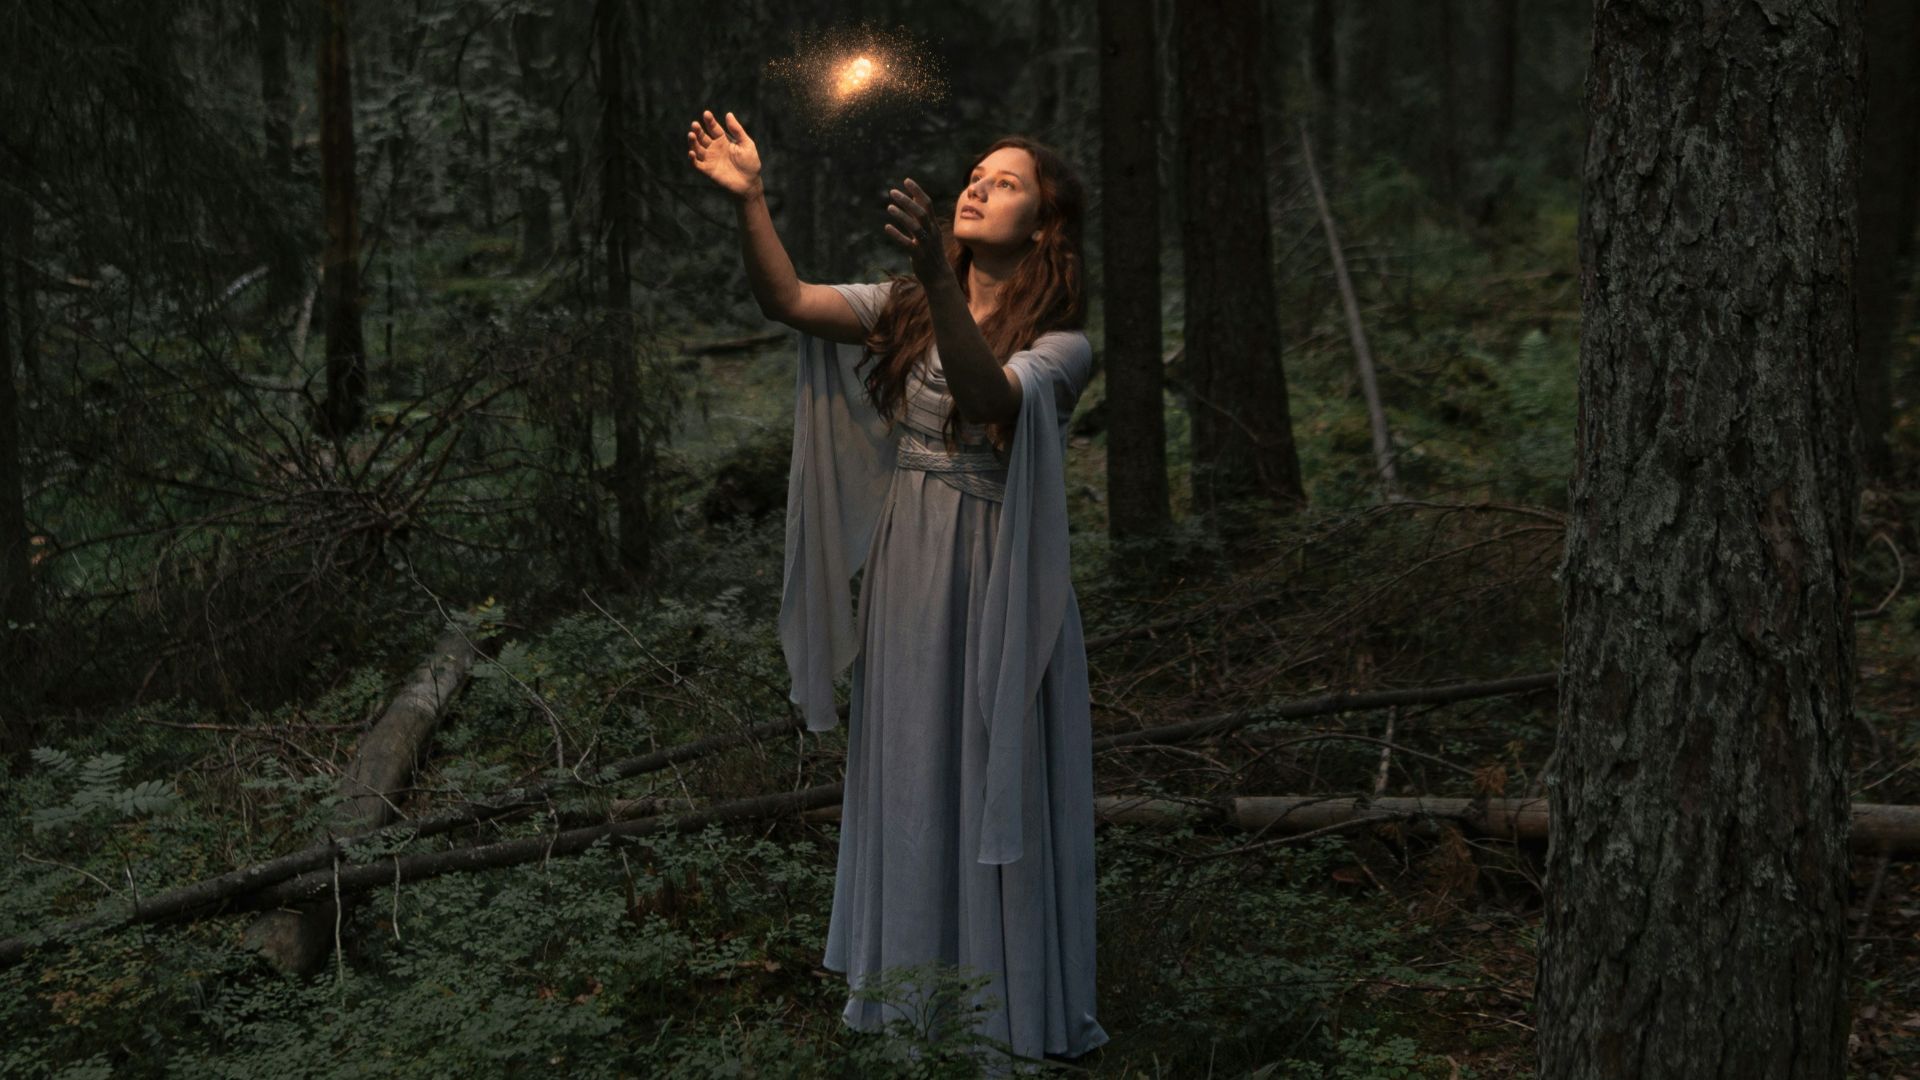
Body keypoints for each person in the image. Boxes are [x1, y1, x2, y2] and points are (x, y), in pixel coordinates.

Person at [687, 108, 1109, 1071]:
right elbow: (788, 299)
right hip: (910, 566)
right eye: (976, 173)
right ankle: (916, 998)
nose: (977, 187)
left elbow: (990, 399)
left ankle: (1002, 1005)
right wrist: (752, 200)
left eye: (1005, 183)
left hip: (999, 575)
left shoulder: (1065, 344)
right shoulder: (907, 303)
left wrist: (931, 277)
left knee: (988, 763)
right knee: (916, 767)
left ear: (1045, 226)